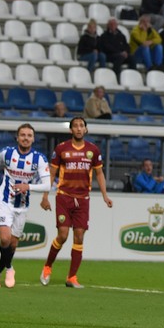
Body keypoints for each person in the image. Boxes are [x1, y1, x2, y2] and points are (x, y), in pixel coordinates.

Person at [41, 117, 112, 288]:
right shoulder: (61, 149)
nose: (79, 129)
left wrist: (105, 195)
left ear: (85, 130)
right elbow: (51, 173)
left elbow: (99, 174)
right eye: (75, 126)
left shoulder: (93, 150)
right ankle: (47, 266)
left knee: (79, 237)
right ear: (70, 130)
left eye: (82, 126)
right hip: (64, 196)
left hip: (83, 199)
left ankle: (71, 277)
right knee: (63, 235)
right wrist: (45, 196)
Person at [0, 124, 51, 289]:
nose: (25, 138)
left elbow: (47, 185)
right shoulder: (6, 153)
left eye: (29, 135)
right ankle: (9, 268)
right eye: (22, 135)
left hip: (22, 205)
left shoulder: (39, 159)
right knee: (5, 238)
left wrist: (28, 187)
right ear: (17, 137)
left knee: (13, 244)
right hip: (4, 201)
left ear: (33, 138)